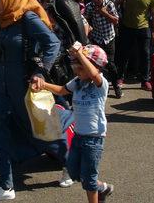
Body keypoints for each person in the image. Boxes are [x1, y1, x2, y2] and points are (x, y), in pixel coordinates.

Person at [0, 0, 71, 203]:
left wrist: (41, 72)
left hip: (23, 85)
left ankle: (71, 162)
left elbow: (53, 44)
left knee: (39, 130)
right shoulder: (5, 20)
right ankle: (5, 185)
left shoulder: (27, 18)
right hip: (2, 84)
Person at [32, 44, 114, 203]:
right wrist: (43, 85)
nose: (76, 72)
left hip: (93, 139)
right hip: (78, 136)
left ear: (92, 66)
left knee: (88, 179)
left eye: (80, 68)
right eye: (75, 68)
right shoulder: (78, 82)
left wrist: (80, 55)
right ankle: (102, 188)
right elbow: (62, 90)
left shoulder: (100, 84)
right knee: (74, 171)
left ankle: (96, 193)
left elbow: (93, 73)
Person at [29, 0, 89, 106]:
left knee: (66, 89)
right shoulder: (40, 4)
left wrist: (80, 55)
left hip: (66, 55)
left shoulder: (63, 3)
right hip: (51, 53)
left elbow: (78, 29)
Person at [114, 0, 154, 91]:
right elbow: (116, 4)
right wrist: (116, 18)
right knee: (124, 54)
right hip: (127, 28)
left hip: (144, 29)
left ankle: (145, 80)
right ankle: (120, 78)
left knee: (145, 55)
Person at [84, 0, 122, 98]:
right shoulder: (90, 6)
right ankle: (100, 89)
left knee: (110, 64)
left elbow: (116, 21)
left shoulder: (109, 5)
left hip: (109, 38)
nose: (97, 1)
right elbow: (86, 20)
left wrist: (103, 12)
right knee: (97, 65)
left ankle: (116, 87)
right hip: (97, 38)